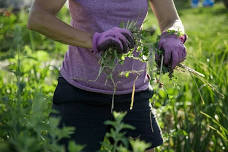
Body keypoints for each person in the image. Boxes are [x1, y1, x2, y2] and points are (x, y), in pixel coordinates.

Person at [27, 0, 187, 151]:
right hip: (80, 92)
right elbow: (39, 17)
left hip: (132, 95)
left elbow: (171, 20)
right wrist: (94, 40)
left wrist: (172, 36)